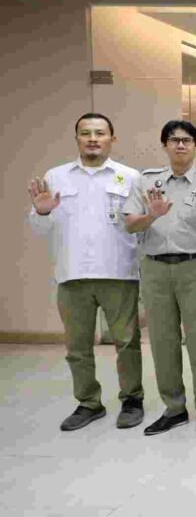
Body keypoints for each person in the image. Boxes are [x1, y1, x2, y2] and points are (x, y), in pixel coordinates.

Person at [27, 113, 145, 431]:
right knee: (77, 347)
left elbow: (140, 225)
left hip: (119, 271)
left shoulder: (130, 177)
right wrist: (41, 212)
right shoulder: (56, 176)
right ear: (77, 138)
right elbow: (40, 228)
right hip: (72, 273)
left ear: (112, 139)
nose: (93, 138)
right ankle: (89, 403)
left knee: (127, 342)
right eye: (86, 133)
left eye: (100, 133)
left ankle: (132, 400)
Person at [123, 120, 196, 438]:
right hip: (155, 269)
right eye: (173, 139)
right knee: (162, 341)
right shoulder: (146, 181)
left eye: (186, 140)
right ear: (164, 145)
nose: (180, 145)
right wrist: (152, 215)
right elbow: (130, 225)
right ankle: (175, 408)